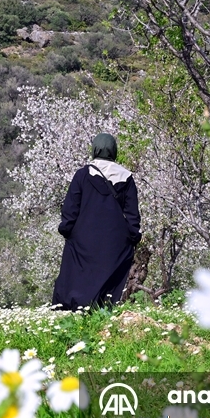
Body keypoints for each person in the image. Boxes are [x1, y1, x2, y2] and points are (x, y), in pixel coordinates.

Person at [52, 133, 142, 311]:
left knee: (79, 276)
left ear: (95, 149)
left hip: (84, 238)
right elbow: (132, 215)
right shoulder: (127, 178)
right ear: (114, 151)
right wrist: (133, 237)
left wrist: (67, 230)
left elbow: (70, 209)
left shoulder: (83, 175)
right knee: (108, 280)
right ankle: (102, 313)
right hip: (115, 242)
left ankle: (75, 312)